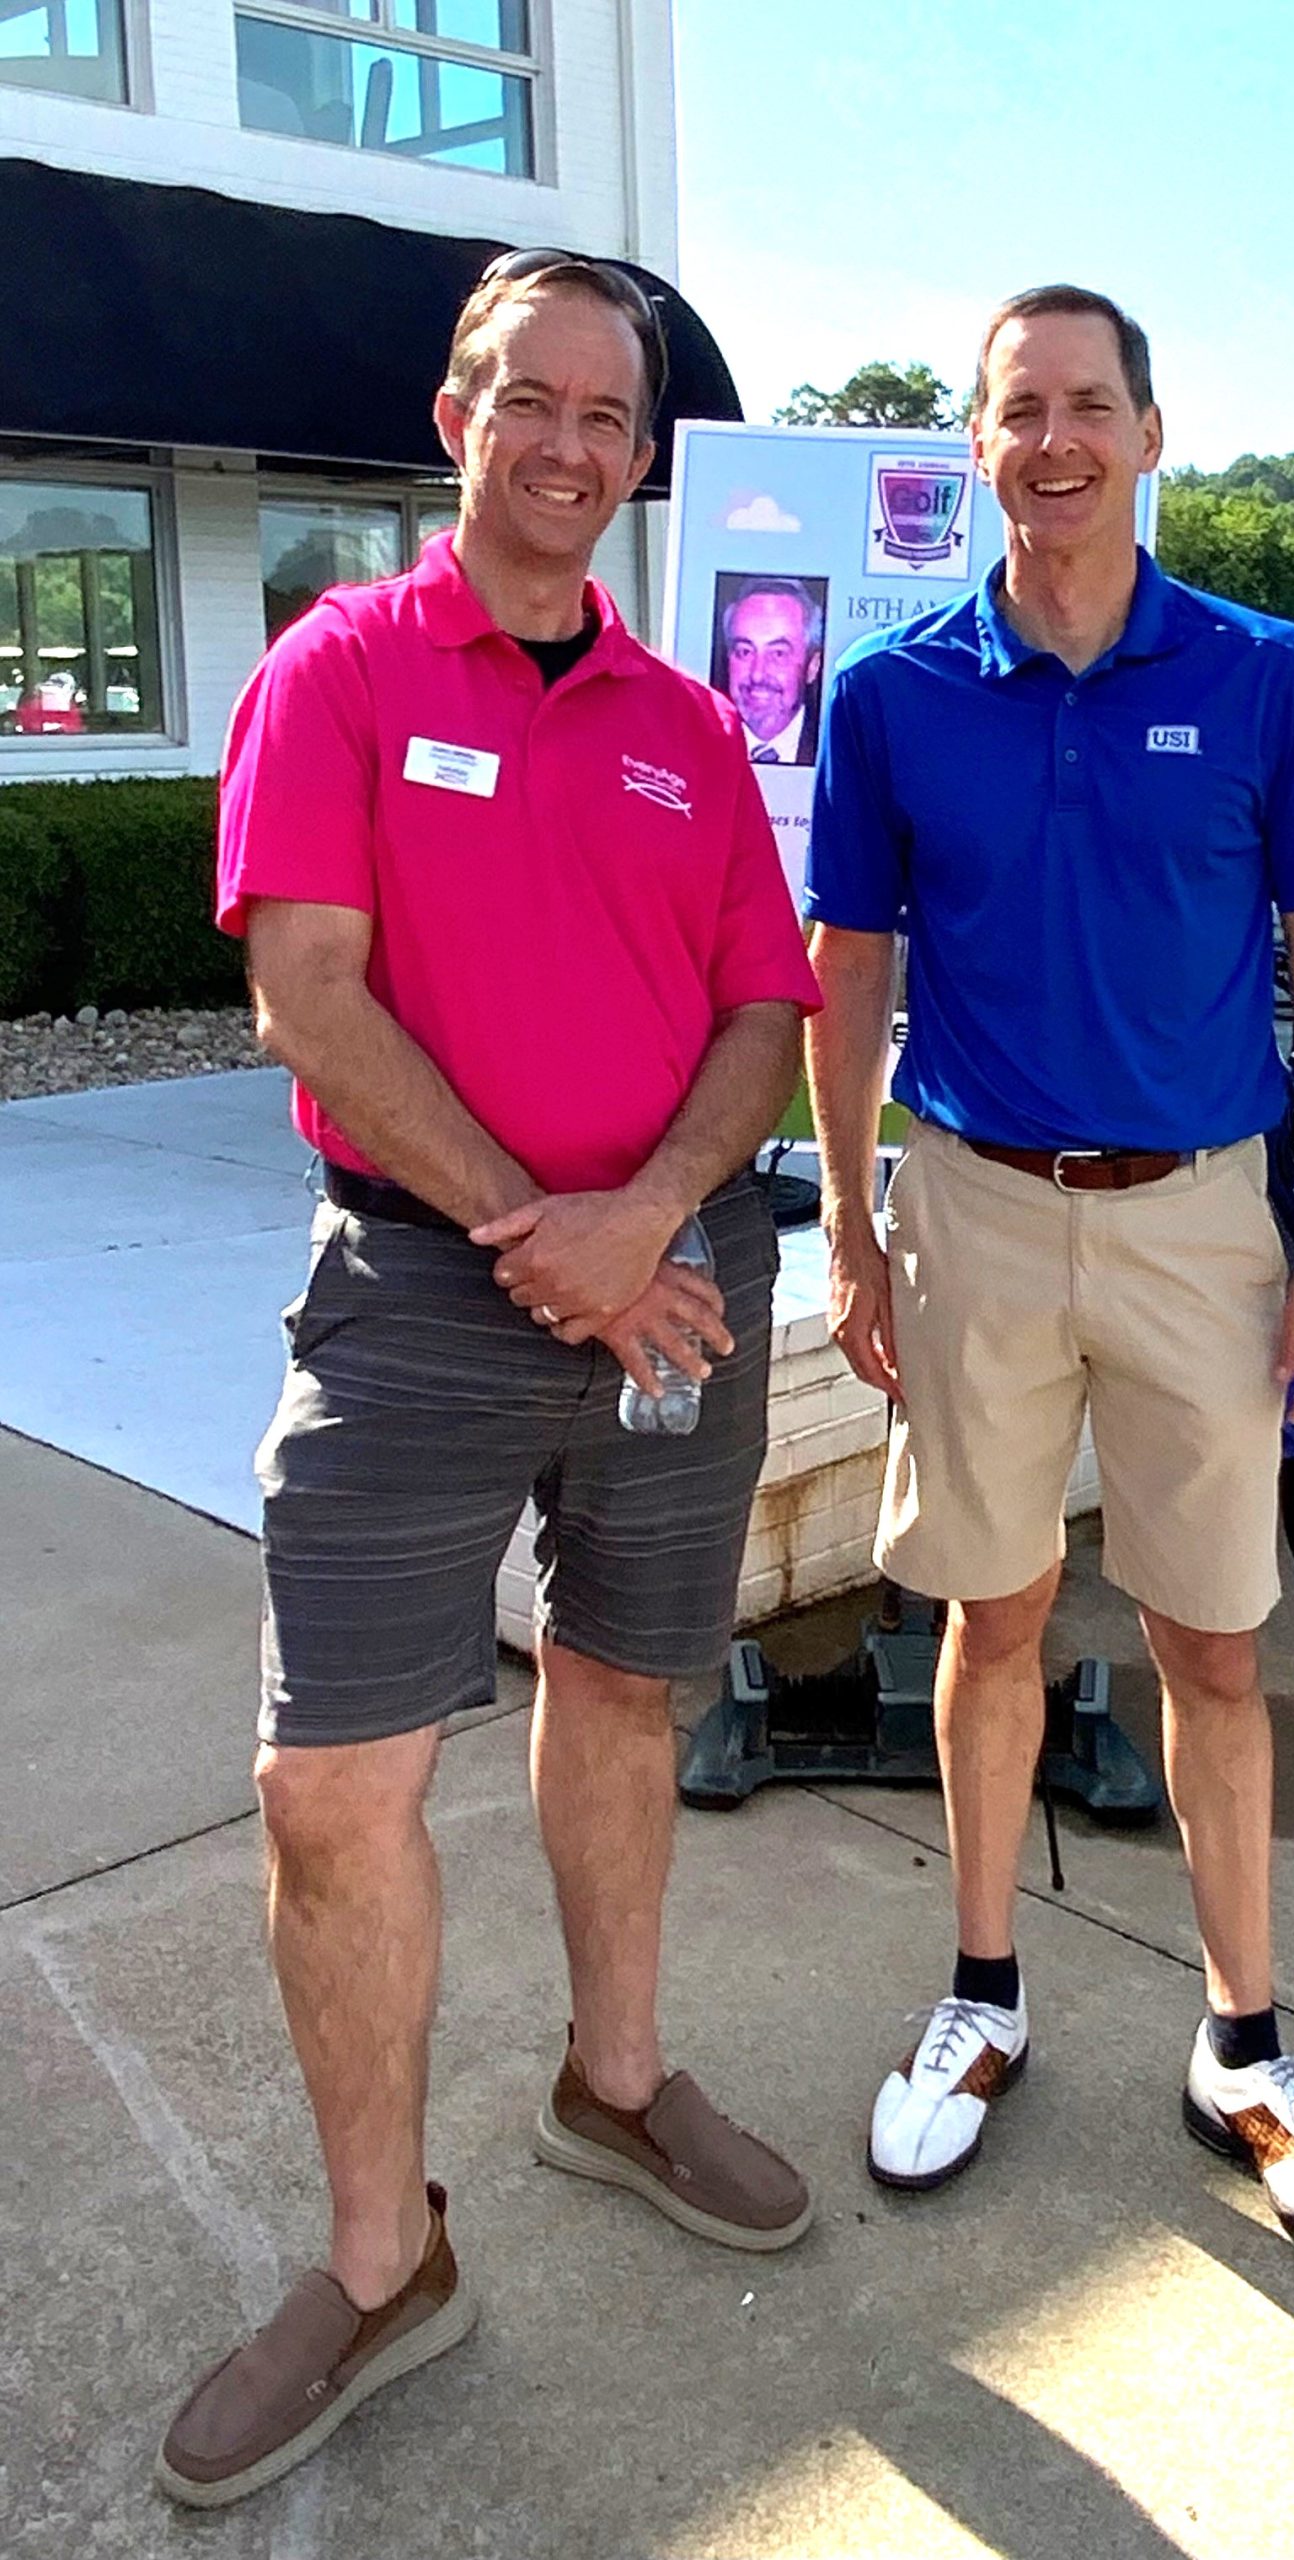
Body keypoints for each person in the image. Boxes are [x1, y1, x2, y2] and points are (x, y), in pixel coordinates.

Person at [157, 250, 822, 2509]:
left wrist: (642, 1218)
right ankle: (375, 2260)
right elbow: (310, 1001)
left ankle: (614, 2080)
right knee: (327, 1785)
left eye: (604, 418)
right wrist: (550, 1237)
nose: (564, 446)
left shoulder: (681, 719)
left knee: (625, 1689)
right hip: (425, 1301)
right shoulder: (335, 672)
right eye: (524, 399)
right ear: (455, 412)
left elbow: (762, 1011)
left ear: (641, 458)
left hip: (677, 1282)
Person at [805, 282, 1294, 2260]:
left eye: (1089, 404)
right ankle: (982, 1997)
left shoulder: (1264, 675)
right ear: (971, 445)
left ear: (1153, 433)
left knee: (1216, 1642)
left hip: (1206, 1215)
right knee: (989, 1619)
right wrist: (858, 1217)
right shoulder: (894, 692)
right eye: (1016, 408)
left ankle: (1242, 2041)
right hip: (972, 1204)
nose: (1053, 439)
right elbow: (853, 973)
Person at [722, 576, 824, 764]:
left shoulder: (835, 752)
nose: (757, 674)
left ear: (813, 667)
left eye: (778, 654)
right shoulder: (699, 748)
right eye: (745, 652)